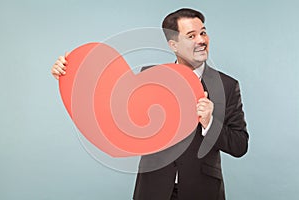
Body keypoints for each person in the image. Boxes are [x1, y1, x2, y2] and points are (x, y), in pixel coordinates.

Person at [51, 8, 249, 200]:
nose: (201, 40)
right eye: (191, 36)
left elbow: (240, 145)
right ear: (174, 45)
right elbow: (110, 106)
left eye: (203, 33)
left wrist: (209, 122)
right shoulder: (150, 77)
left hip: (202, 190)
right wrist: (69, 72)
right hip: (153, 187)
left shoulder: (227, 86)